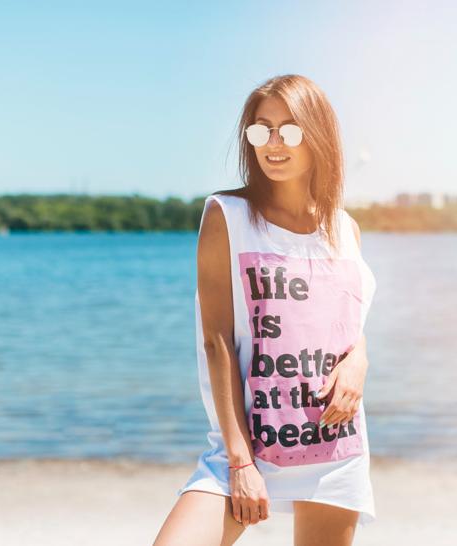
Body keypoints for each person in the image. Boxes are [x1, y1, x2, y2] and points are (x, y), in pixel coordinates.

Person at [153, 74, 378, 546]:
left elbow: (345, 324)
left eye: (290, 130)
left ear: (318, 136)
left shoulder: (343, 228)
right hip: (249, 445)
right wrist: (239, 461)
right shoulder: (227, 216)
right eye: (261, 130)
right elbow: (215, 340)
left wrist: (359, 362)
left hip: (331, 442)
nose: (273, 144)